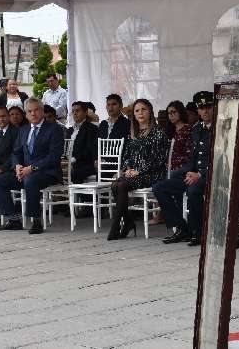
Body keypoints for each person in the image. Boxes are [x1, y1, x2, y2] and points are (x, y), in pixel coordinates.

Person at [0, 98, 65, 235]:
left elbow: (54, 156)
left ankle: (36, 220)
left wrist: (31, 168)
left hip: (48, 172)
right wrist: (17, 166)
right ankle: (13, 220)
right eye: (29, 111)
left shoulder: (54, 129)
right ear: (26, 114)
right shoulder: (24, 130)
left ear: (42, 111)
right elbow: (16, 152)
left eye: (36, 110)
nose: (33, 114)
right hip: (25, 172)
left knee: (30, 180)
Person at [153, 91, 212, 246]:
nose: (205, 111)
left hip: (211, 174)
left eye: (208, 107)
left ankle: (198, 233)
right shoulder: (196, 128)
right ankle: (182, 227)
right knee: (160, 188)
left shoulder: (221, 127)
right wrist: (187, 172)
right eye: (202, 108)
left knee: (193, 190)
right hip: (193, 173)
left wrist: (199, 174)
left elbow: (221, 157)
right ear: (198, 110)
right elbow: (193, 157)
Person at [107, 98, 169, 241]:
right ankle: (127, 221)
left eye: (143, 109)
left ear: (150, 112)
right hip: (135, 175)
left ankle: (117, 225)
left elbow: (159, 159)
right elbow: (127, 155)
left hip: (153, 174)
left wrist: (139, 171)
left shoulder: (158, 132)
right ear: (133, 114)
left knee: (121, 184)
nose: (140, 113)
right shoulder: (133, 133)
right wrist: (127, 168)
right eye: (137, 110)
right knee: (116, 183)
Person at [65, 101, 98, 184]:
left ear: (85, 112)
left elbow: (89, 149)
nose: (75, 113)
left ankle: (75, 196)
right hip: (68, 162)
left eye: (77, 111)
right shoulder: (69, 130)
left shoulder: (92, 128)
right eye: (73, 111)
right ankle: (61, 196)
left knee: (73, 172)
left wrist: (73, 160)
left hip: (84, 163)